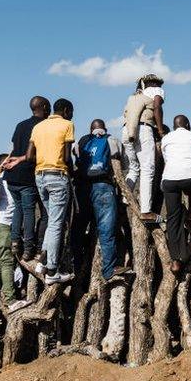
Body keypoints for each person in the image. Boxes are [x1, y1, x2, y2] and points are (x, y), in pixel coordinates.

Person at [4, 98, 75, 284]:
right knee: (56, 223)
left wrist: (16, 160)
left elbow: (29, 155)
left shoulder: (39, 127)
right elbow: (67, 156)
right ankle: (52, 271)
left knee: (51, 220)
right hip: (57, 176)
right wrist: (73, 171)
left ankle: (42, 262)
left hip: (39, 176)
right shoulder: (67, 125)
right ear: (66, 110)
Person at [0, 155, 31, 324]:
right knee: (8, 262)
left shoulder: (0, 180)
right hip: (2, 226)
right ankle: (10, 300)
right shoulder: (7, 181)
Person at [73, 119, 124, 279]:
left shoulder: (81, 142)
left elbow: (77, 161)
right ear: (105, 129)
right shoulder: (111, 140)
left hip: (83, 188)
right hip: (103, 187)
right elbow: (121, 161)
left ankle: (75, 265)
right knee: (106, 227)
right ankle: (109, 269)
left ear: (91, 130)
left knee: (78, 228)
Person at [5, 97, 50, 262]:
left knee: (19, 208)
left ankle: (15, 240)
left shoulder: (20, 125)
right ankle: (29, 249)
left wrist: (7, 161)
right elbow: (36, 153)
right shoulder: (43, 127)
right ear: (44, 107)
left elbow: (14, 148)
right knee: (29, 211)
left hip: (12, 174)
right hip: (27, 174)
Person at [160, 115, 191, 274]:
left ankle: (176, 259)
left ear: (174, 125)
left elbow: (167, 159)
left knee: (173, 217)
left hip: (170, 179)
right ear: (187, 124)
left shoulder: (167, 138)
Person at [123, 75, 166, 222]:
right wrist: (160, 130)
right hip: (143, 129)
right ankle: (146, 211)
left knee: (134, 168)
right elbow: (157, 107)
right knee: (148, 169)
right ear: (153, 83)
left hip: (126, 130)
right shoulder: (156, 91)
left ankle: (125, 196)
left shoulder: (135, 96)